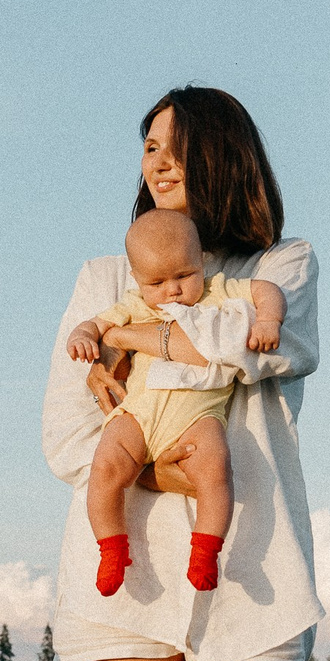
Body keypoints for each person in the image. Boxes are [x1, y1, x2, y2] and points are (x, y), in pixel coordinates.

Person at [41, 86, 322, 661]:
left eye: (176, 145)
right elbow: (68, 440)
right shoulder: (103, 275)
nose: (156, 162)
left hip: (251, 562)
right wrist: (187, 472)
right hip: (128, 572)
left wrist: (127, 337)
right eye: (148, 147)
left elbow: (253, 348)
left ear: (226, 153)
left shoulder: (280, 268)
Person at [67, 209, 286, 597]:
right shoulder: (135, 304)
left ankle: (206, 550)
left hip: (198, 415)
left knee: (216, 469)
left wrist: (269, 320)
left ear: (201, 260)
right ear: (136, 280)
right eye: (157, 282)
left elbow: (266, 290)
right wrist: (83, 337)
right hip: (139, 413)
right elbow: (96, 326)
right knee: (105, 468)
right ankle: (111, 549)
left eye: (183, 275)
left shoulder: (218, 289)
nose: (172, 290)